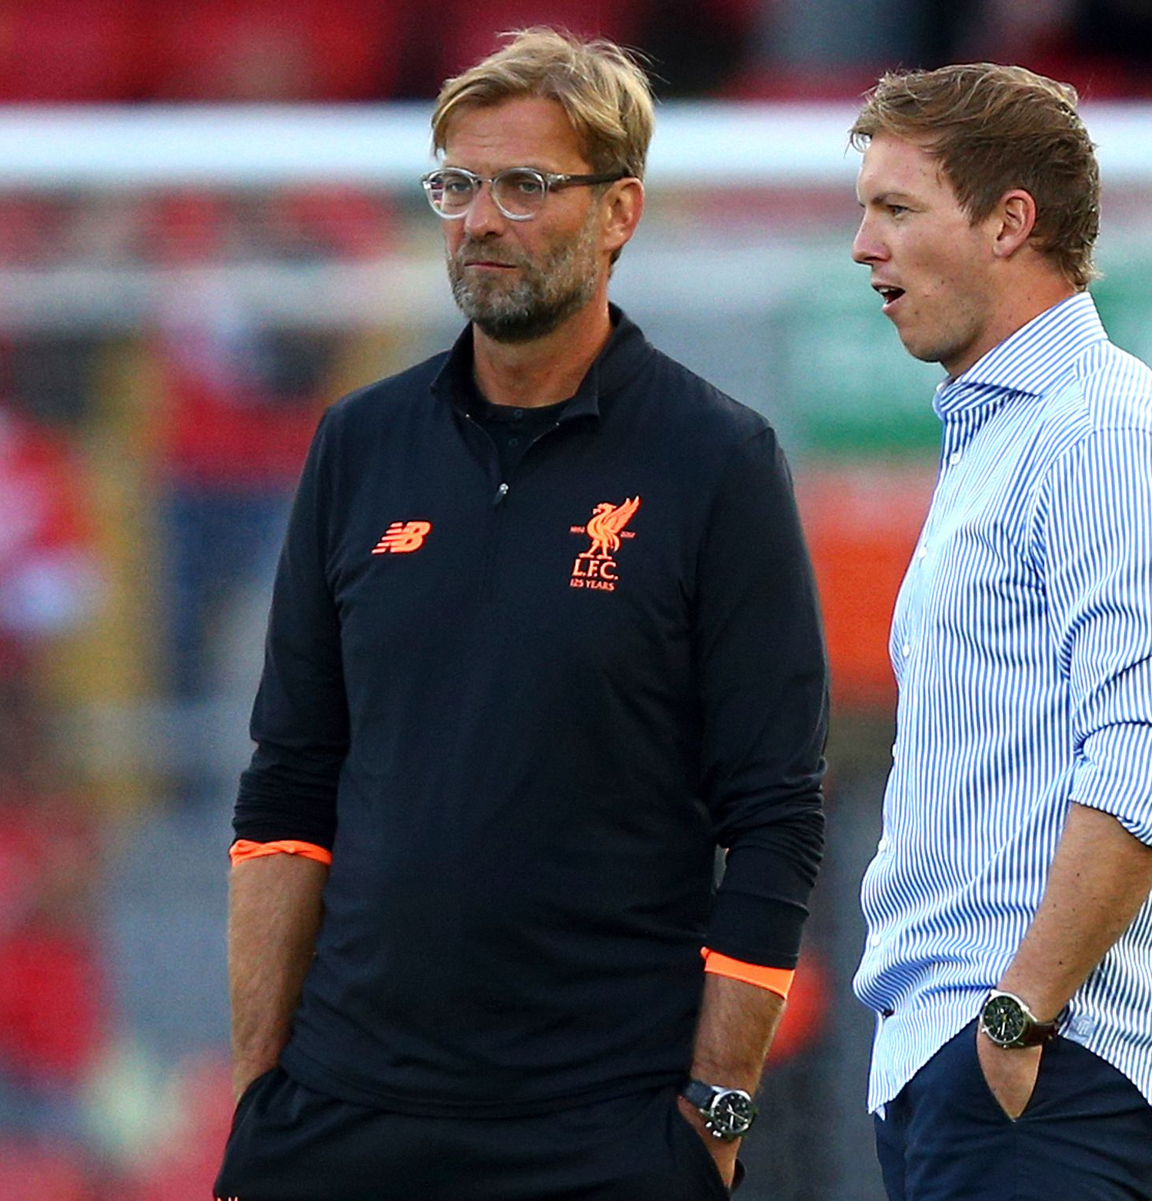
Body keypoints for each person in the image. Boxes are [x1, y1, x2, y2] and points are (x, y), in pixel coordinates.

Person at [213, 28, 828, 1201]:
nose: (480, 220)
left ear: (620, 212)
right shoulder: (358, 443)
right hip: (342, 1117)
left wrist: (714, 1112)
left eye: (525, 186)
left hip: (603, 1130)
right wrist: (262, 1091)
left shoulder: (718, 460)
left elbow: (776, 816)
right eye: (456, 184)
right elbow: (288, 786)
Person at [848, 63, 1152, 1201]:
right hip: (979, 1070)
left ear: (1010, 223)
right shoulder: (1012, 435)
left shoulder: (1103, 431)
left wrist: (1015, 1017)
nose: (864, 245)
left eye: (897, 208)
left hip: (1045, 1070)